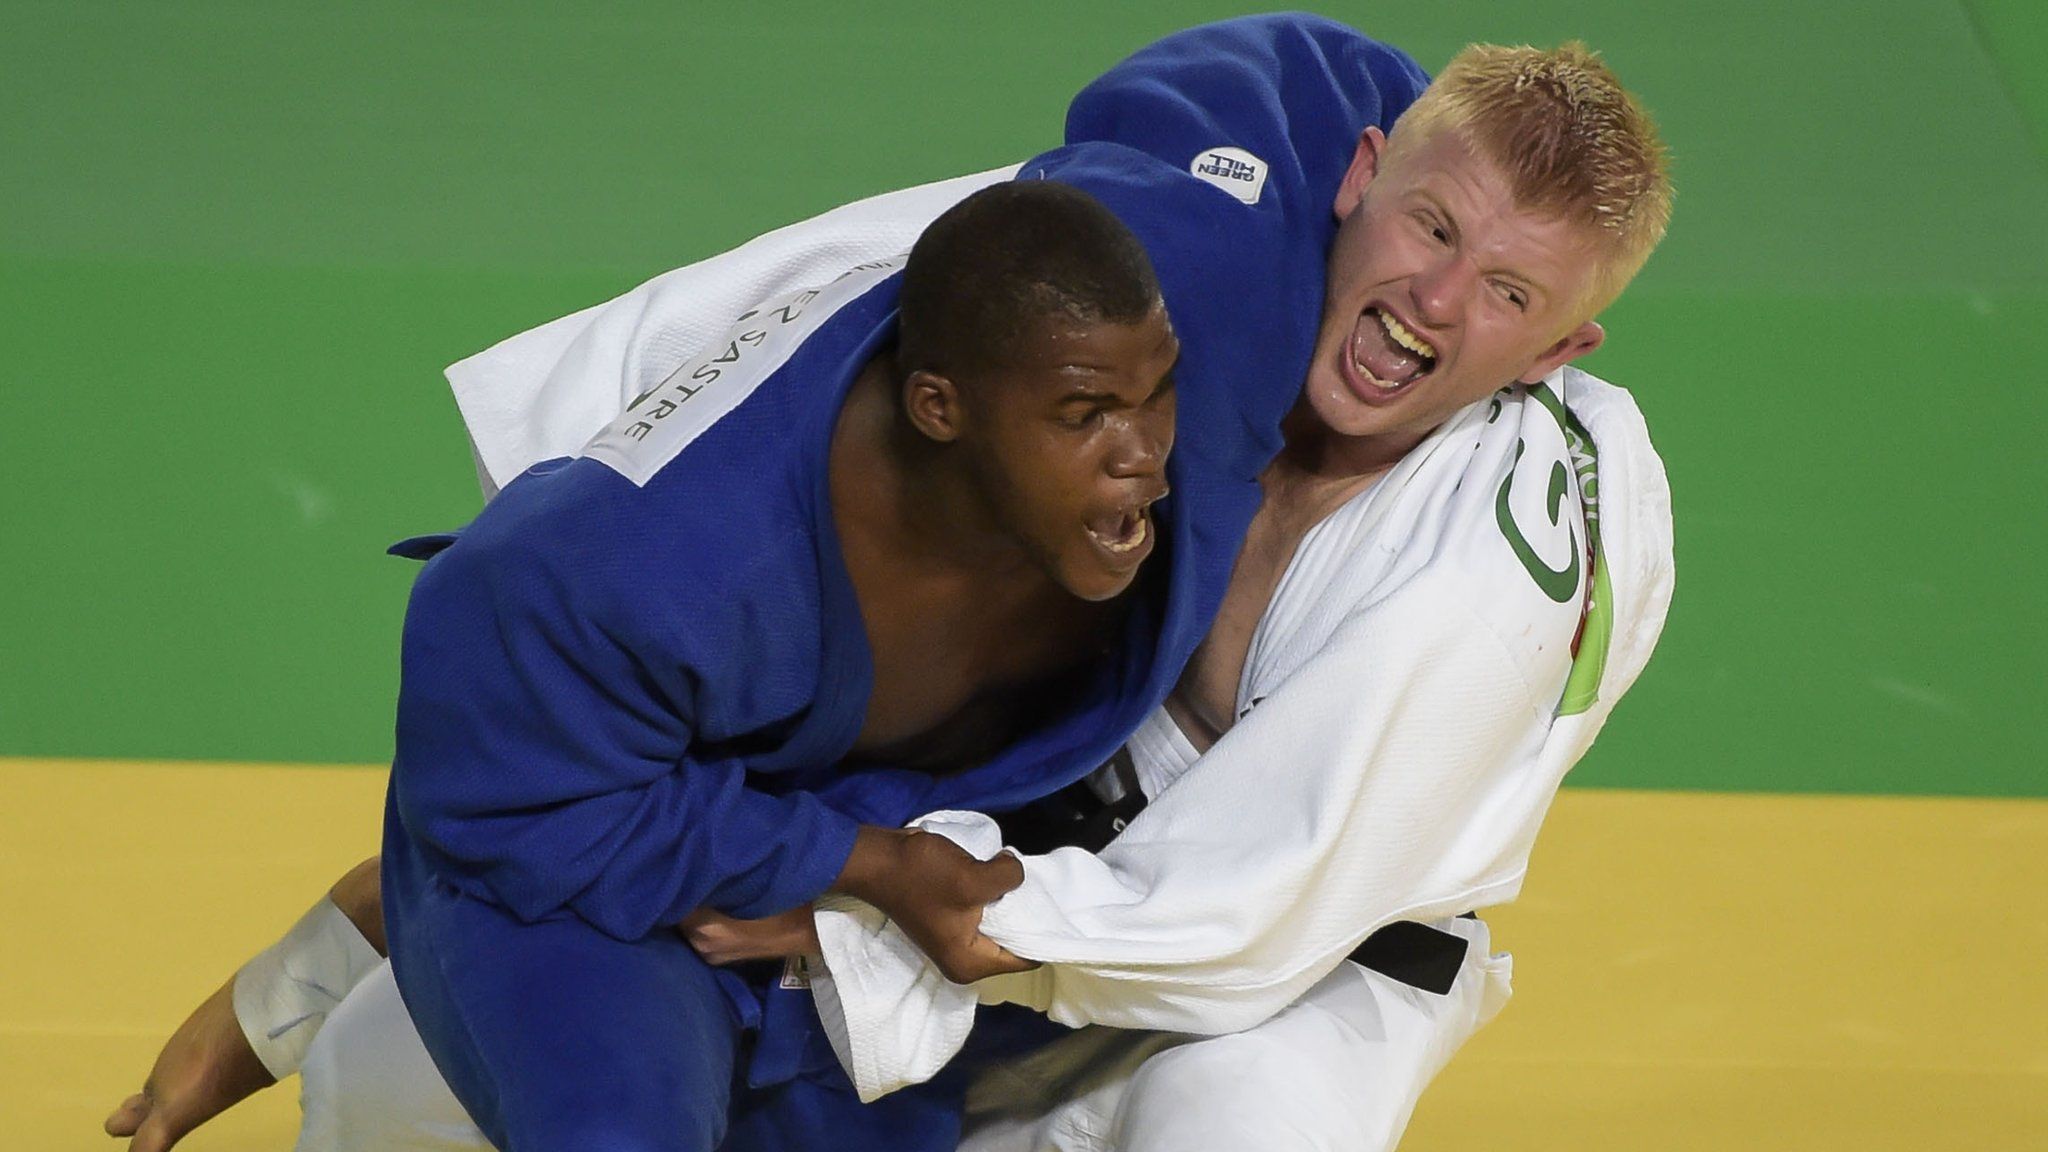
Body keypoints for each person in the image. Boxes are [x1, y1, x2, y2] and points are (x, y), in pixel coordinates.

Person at [114, 14, 1676, 1152]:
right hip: (1003, 879)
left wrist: (868, 899)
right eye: (1430, 226)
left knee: (1239, 1136)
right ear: (1360, 177)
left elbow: (1262, 901)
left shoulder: (1500, 551)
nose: (1435, 296)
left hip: (1285, 959)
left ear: (1561, 348)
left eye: (1510, 293)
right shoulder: (1173, 301)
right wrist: (298, 990)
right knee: (400, 1089)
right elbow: (581, 793)